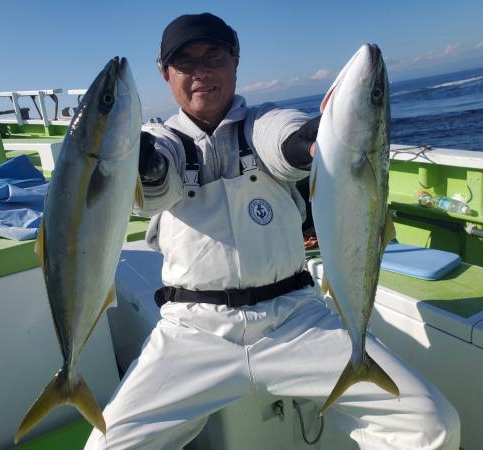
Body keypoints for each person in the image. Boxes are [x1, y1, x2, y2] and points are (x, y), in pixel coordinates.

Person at [85, 13, 460, 450]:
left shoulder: (265, 119)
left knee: (431, 424)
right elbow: (155, 186)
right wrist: (145, 164)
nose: (201, 71)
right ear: (165, 73)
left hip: (297, 319)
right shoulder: (157, 139)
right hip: (192, 329)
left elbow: (283, 141)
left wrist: (309, 144)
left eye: (214, 56)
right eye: (185, 62)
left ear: (235, 60)